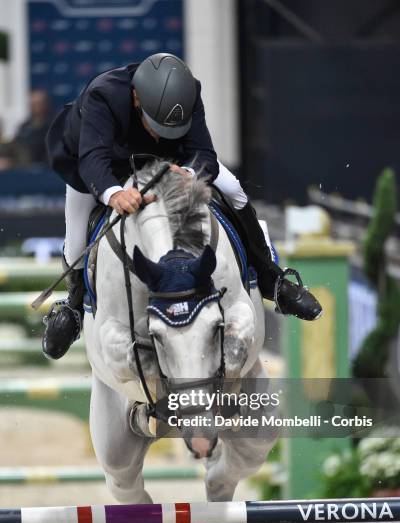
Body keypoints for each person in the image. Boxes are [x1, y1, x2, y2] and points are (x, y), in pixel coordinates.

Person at [43, 53, 321, 359]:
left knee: (234, 189)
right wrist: (113, 193)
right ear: (136, 98)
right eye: (157, 125)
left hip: (165, 159)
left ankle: (272, 279)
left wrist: (189, 174)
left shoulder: (189, 92)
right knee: (76, 232)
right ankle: (74, 306)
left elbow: (204, 152)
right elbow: (93, 159)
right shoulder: (103, 96)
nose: (163, 132)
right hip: (99, 160)